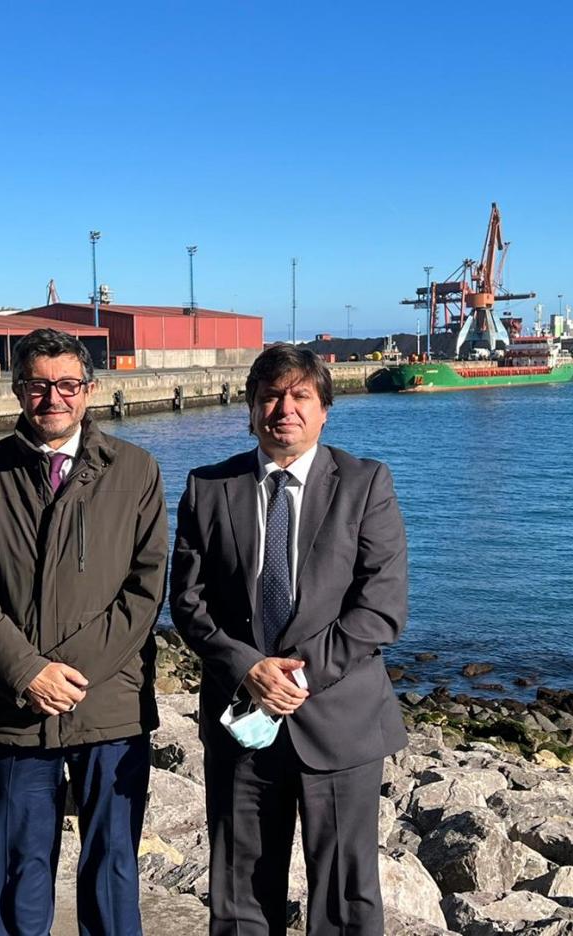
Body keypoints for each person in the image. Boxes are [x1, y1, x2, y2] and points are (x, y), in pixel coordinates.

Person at [171, 344, 409, 935]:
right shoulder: (208, 487)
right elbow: (187, 602)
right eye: (271, 396)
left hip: (338, 721)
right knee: (240, 888)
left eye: (300, 395)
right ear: (251, 410)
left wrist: (296, 677)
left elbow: (381, 607)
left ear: (325, 408)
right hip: (241, 717)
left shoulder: (364, 484)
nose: (285, 408)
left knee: (345, 895)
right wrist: (251, 668)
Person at [0, 328, 168, 936]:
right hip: (15, 705)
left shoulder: (136, 470)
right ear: (18, 390)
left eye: (67, 384)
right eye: (38, 385)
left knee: (113, 861)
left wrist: (68, 672)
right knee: (18, 862)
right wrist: (26, 672)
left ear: (90, 391)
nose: (53, 398)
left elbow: (145, 590)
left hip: (109, 703)